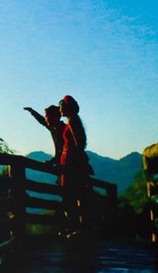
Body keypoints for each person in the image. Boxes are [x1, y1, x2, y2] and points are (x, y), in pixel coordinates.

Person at [58, 95, 93, 236]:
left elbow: (79, 142)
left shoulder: (72, 122)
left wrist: (76, 159)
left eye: (61, 107)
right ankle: (76, 226)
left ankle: (77, 227)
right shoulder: (72, 121)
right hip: (71, 162)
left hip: (72, 164)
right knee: (74, 195)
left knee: (72, 195)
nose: (60, 110)